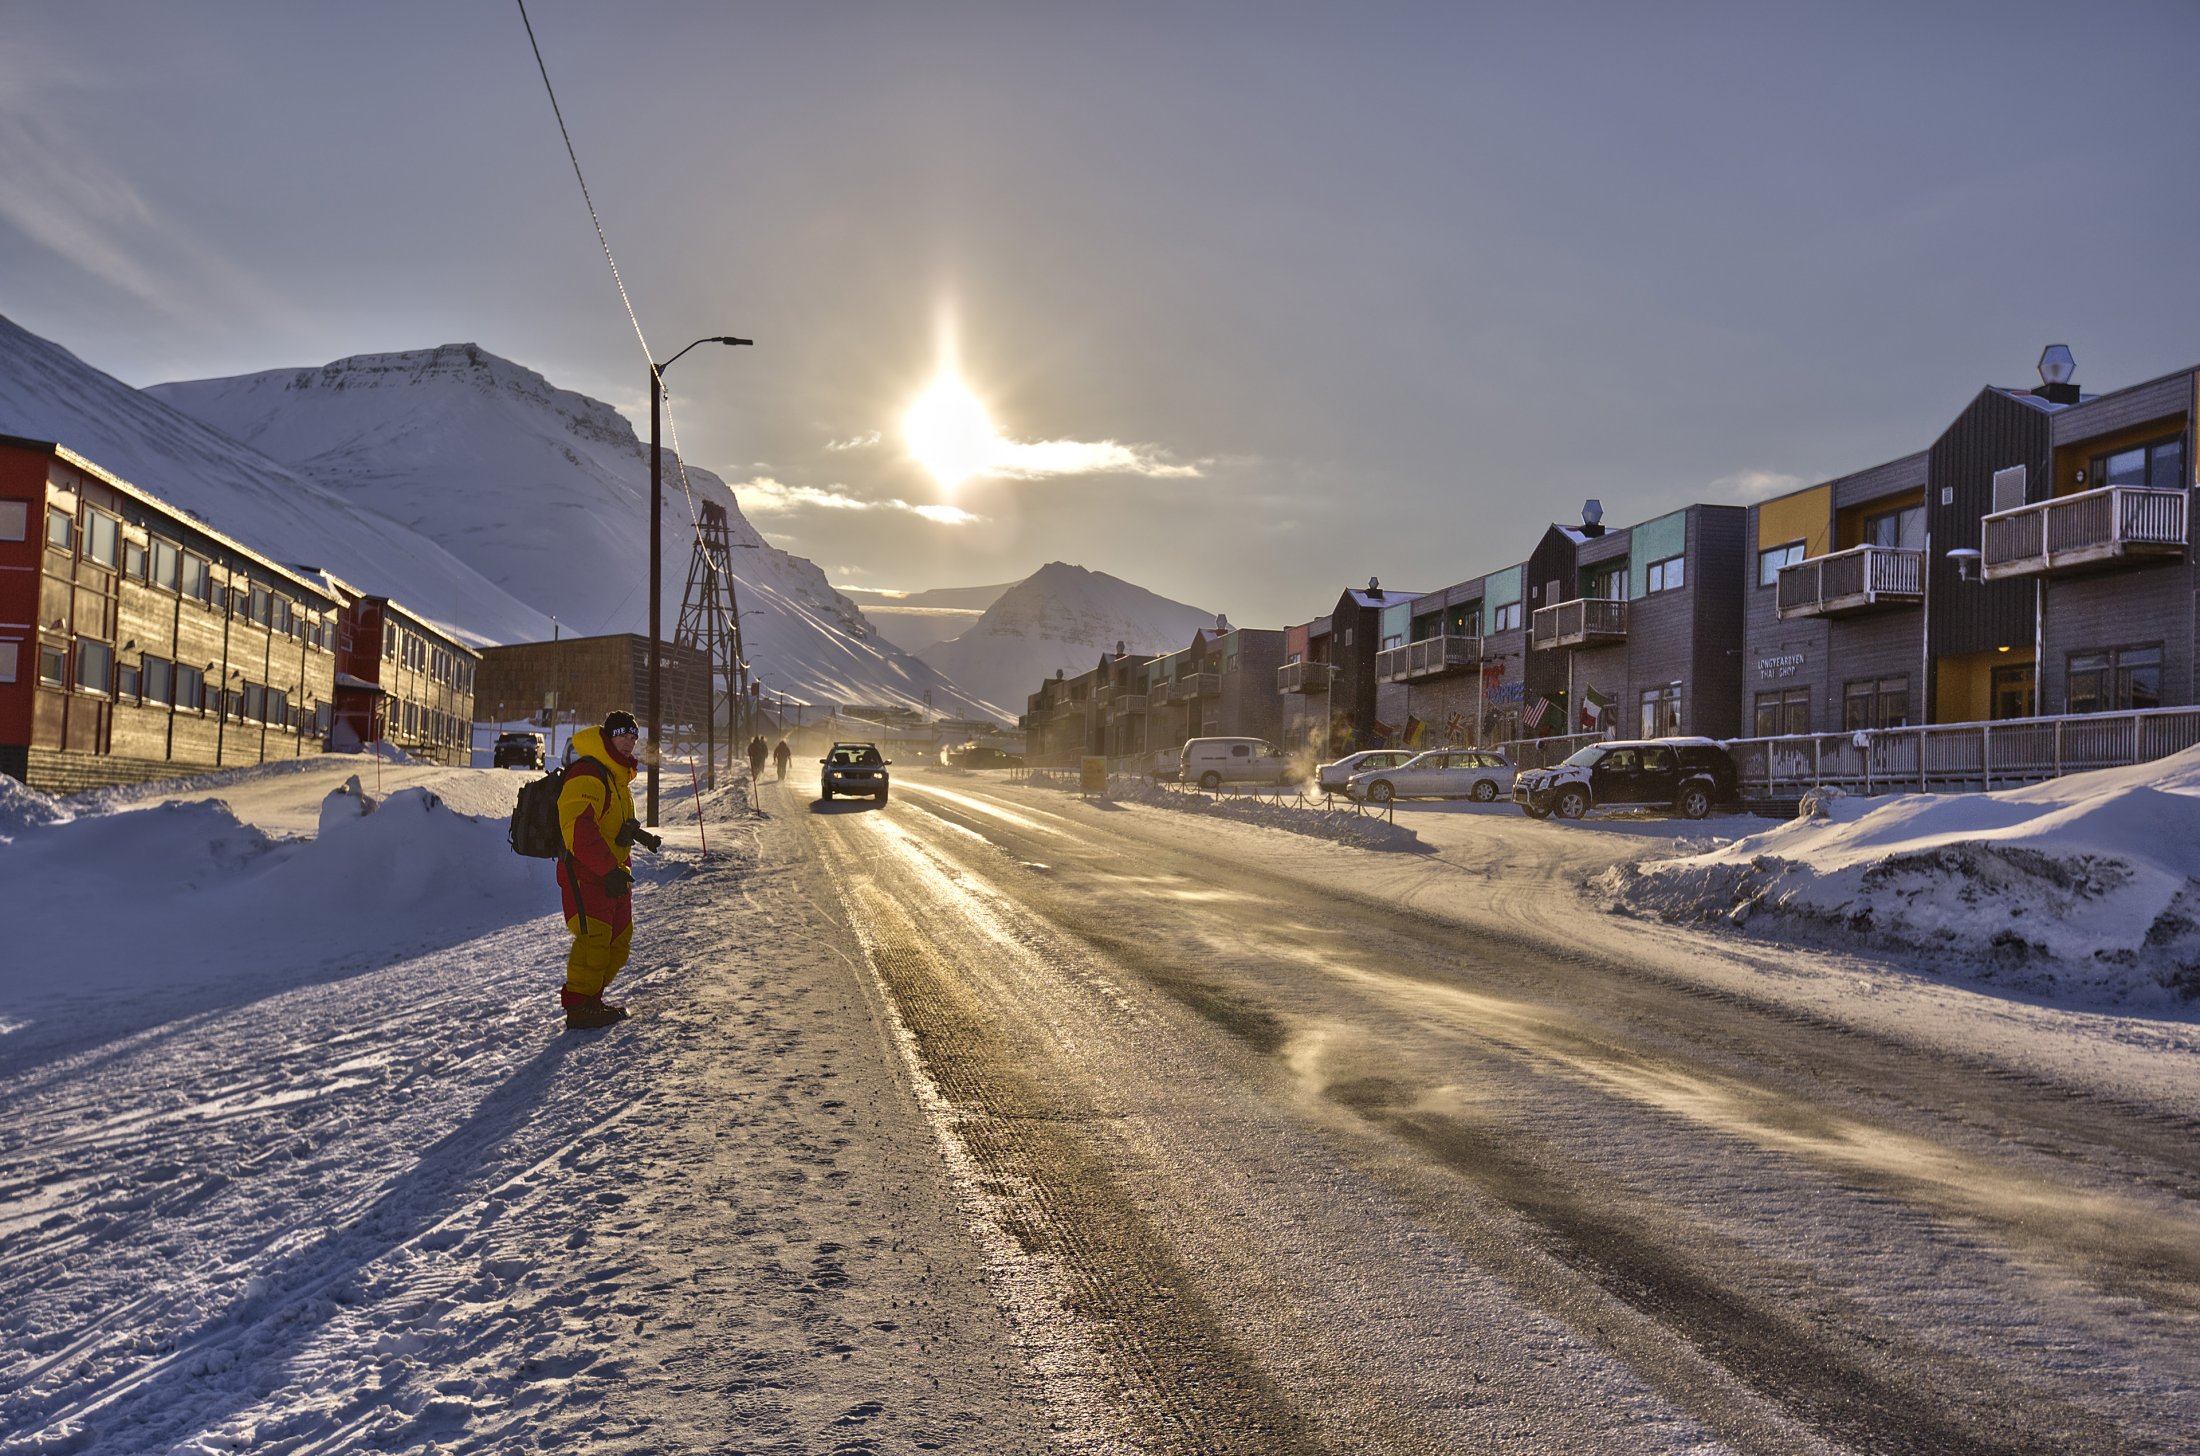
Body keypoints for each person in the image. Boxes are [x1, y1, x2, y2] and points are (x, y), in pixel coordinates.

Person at [556, 710, 658, 1030]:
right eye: (622, 735)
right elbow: (579, 829)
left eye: (633, 736)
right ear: (608, 737)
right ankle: (579, 1007)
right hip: (586, 873)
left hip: (615, 872)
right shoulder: (588, 772)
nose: (629, 741)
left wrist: (640, 836)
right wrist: (607, 869)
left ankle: (592, 1000)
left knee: (618, 941)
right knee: (595, 942)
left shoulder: (617, 778)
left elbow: (612, 823)